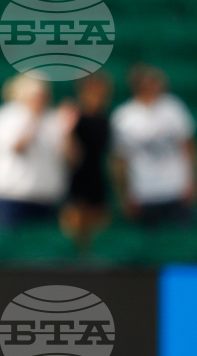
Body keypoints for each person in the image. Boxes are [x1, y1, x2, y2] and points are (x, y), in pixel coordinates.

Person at [0, 75, 78, 232]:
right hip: (12, 198)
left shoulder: (53, 119)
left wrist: (68, 131)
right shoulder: (8, 116)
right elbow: (18, 148)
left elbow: (72, 158)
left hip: (46, 199)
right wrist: (34, 119)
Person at [111, 64, 196, 227]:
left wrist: (191, 182)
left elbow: (187, 146)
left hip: (175, 189)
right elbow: (121, 160)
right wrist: (125, 194)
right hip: (144, 192)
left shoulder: (174, 108)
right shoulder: (123, 116)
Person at [61, 72, 114, 253]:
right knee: (75, 233)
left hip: (97, 181)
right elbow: (71, 156)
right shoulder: (74, 119)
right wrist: (67, 129)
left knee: (99, 236)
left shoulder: (107, 121)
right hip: (76, 182)